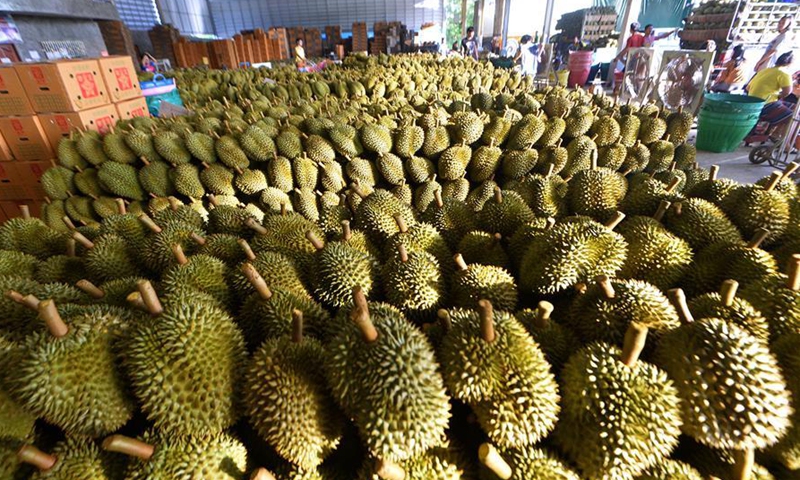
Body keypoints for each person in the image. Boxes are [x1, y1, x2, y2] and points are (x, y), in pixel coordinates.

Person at [748, 52, 795, 136]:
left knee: (793, 107)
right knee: (792, 117)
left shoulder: (765, 70)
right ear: (790, 63)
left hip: (751, 102)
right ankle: (783, 142)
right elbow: (787, 92)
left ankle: (775, 133)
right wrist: (779, 96)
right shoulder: (784, 73)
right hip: (765, 104)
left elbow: (748, 88)